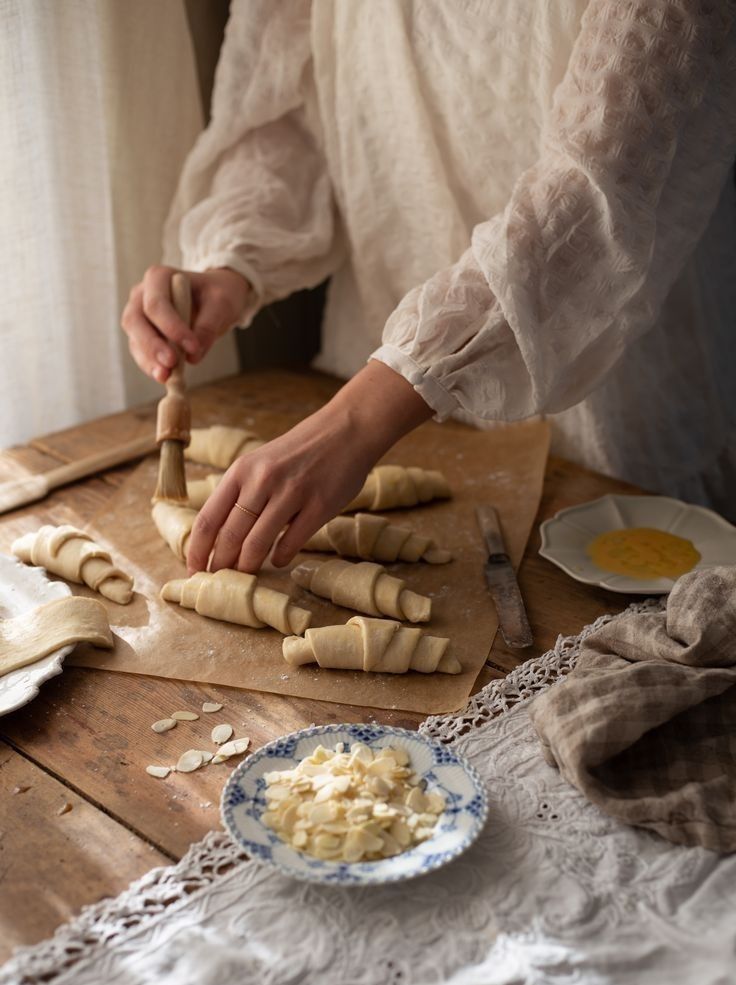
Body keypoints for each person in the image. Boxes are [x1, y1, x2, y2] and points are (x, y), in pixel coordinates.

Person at [122, 0, 736, 578]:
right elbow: (289, 113)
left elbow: (602, 189)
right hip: (370, 395)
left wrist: (363, 415)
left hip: (602, 392)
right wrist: (233, 260)